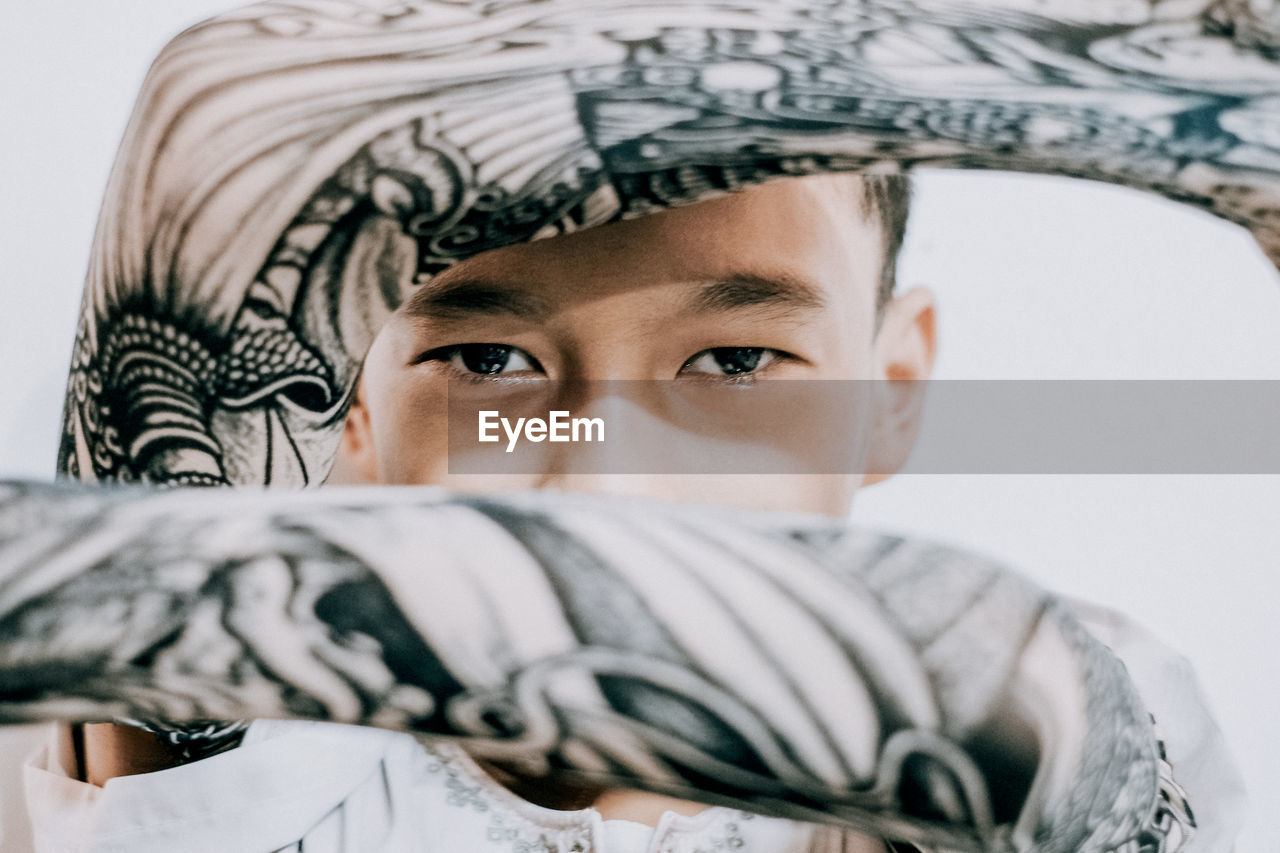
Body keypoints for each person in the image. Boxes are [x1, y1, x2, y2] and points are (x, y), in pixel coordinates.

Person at [3, 0, 1270, 849]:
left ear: (886, 392)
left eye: (732, 362)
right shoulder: (239, 759)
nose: (603, 485)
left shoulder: (1083, 696)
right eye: (486, 360)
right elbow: (232, 122)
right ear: (341, 407)